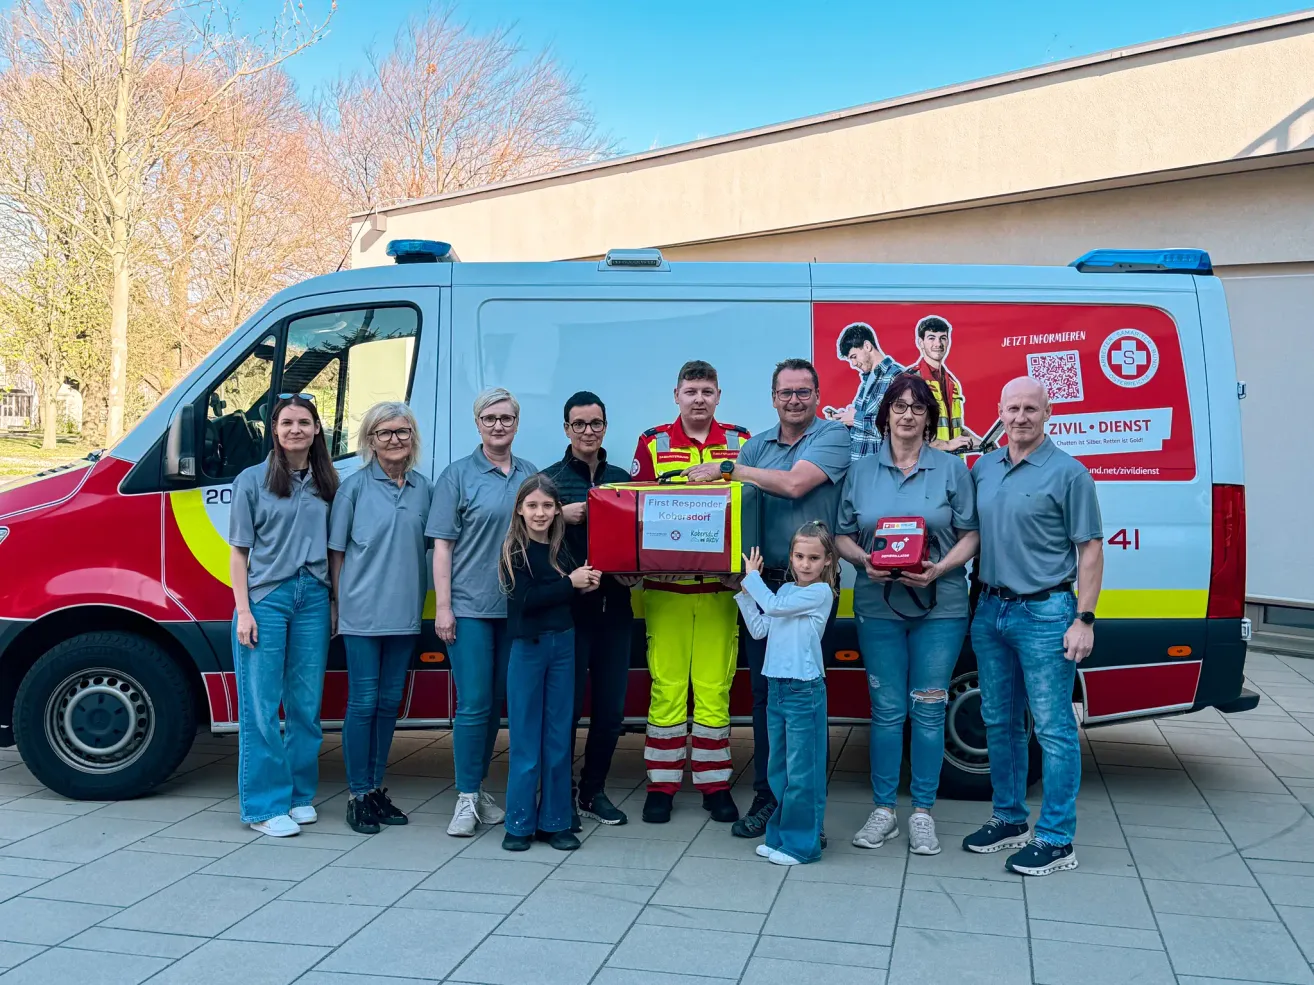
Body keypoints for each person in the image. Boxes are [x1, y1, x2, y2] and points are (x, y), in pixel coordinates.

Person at [687, 358, 849, 839]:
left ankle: (803, 809)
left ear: (817, 396)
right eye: (786, 392)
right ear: (773, 397)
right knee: (763, 700)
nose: (794, 400)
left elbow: (796, 483)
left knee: (803, 701)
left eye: (803, 392)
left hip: (809, 588)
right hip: (761, 584)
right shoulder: (757, 445)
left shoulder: (831, 438)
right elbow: (736, 511)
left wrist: (728, 467)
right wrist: (727, 570)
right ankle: (767, 797)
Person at [962, 377, 1103, 877]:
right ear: (999, 412)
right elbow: (973, 536)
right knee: (999, 722)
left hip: (1046, 614)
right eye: (1012, 408)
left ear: (1048, 414)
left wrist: (1083, 619)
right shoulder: (985, 469)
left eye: (1030, 408)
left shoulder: (1070, 474)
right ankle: (1010, 819)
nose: (1020, 417)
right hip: (991, 610)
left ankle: (1058, 839)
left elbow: (1089, 549)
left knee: (1053, 729)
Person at [834, 374, 980, 856]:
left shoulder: (951, 469)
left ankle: (921, 812)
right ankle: (883, 812)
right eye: (899, 406)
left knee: (930, 708)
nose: (908, 414)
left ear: (929, 417)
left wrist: (939, 567)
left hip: (942, 607)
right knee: (887, 711)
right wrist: (864, 563)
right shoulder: (862, 471)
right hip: (878, 607)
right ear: (885, 415)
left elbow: (971, 534)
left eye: (918, 407)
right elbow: (842, 535)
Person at [631, 360, 750, 824]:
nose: (698, 399)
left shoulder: (741, 442)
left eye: (706, 391)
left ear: (718, 395)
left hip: (722, 591)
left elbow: (753, 503)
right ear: (676, 395)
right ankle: (661, 785)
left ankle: (714, 783)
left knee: (716, 688)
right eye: (690, 391)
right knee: (667, 689)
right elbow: (636, 510)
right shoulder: (653, 442)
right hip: (666, 590)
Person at [427, 387, 538, 837]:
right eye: (490, 418)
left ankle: (479, 791)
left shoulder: (530, 474)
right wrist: (444, 608)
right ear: (478, 424)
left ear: (516, 423)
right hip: (470, 609)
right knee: (473, 704)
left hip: (516, 610)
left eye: (506, 418)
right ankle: (466, 796)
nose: (498, 425)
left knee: (496, 705)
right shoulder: (457, 476)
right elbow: (441, 547)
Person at [228, 394, 338, 837]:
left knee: (306, 707)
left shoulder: (328, 482)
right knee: (260, 706)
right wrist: (243, 611)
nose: (296, 429)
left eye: (304, 422)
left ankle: (297, 796)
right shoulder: (252, 481)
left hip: (313, 596)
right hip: (266, 599)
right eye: (287, 422)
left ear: (316, 431)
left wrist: (333, 604)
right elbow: (239, 553)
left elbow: (334, 551)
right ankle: (262, 807)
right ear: (274, 430)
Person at [328, 401, 430, 834]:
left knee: (390, 704)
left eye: (403, 432)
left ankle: (374, 789)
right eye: (385, 433)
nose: (395, 439)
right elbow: (336, 553)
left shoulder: (424, 488)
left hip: (405, 614)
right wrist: (338, 604)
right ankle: (357, 793)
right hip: (362, 615)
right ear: (370, 440)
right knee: (363, 703)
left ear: (413, 439)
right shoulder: (352, 489)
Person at [539, 391, 636, 828]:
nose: (588, 431)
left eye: (595, 423)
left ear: (605, 426)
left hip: (616, 608)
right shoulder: (548, 482)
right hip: (567, 615)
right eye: (579, 424)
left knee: (611, 710)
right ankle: (557, 796)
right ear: (566, 429)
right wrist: (561, 515)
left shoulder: (622, 478)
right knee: (565, 709)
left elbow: (640, 538)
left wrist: (636, 571)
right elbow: (528, 542)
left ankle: (593, 791)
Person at [499, 475, 600, 852]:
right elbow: (525, 600)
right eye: (532, 506)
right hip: (528, 648)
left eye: (547, 506)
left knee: (558, 736)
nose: (540, 513)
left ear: (557, 509)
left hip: (563, 645)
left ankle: (555, 821)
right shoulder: (515, 551)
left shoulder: (563, 550)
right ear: (520, 511)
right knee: (526, 737)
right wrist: (569, 585)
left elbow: (567, 596)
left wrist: (585, 586)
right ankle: (519, 823)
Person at [733, 530, 837, 865]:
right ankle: (779, 838)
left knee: (803, 771)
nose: (806, 564)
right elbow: (761, 628)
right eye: (800, 557)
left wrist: (752, 578)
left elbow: (774, 607)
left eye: (814, 558)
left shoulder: (821, 592)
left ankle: (801, 846)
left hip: (803, 688)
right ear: (791, 558)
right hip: (776, 685)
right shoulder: (789, 589)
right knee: (779, 769)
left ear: (827, 562)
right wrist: (745, 593)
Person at [907, 315, 982, 454]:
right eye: (931, 338)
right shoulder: (911, 380)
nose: (938, 344)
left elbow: (953, 428)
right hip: (925, 467)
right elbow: (906, 432)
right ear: (920, 342)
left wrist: (983, 443)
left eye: (943, 338)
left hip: (952, 466)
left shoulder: (952, 383)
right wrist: (947, 444)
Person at [831, 322, 904, 460]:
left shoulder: (898, 377)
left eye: (853, 356)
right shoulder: (868, 379)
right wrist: (845, 418)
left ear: (867, 346)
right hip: (859, 468)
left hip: (879, 470)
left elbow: (899, 428)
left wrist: (855, 418)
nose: (853, 364)